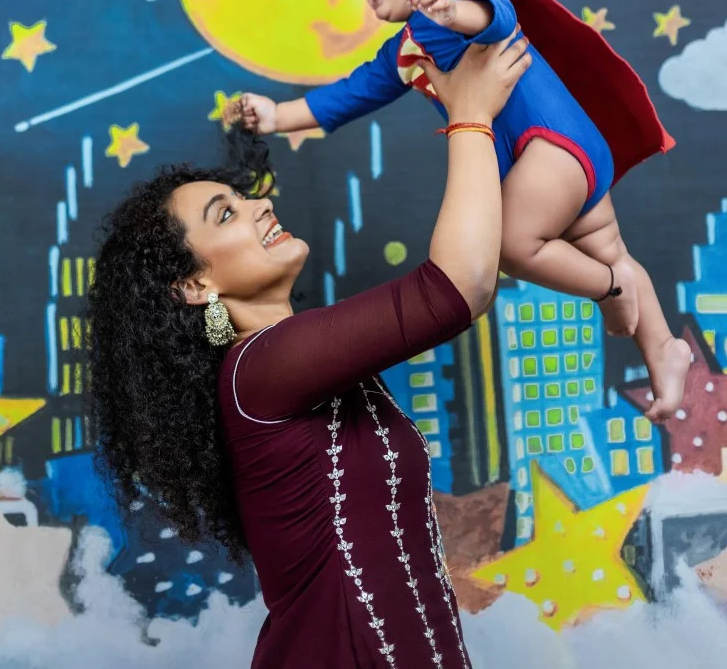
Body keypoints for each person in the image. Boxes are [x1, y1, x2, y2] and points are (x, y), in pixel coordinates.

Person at [87, 32, 530, 669]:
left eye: (244, 197)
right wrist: (471, 114)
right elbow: (459, 287)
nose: (260, 206)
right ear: (195, 286)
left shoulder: (304, 363)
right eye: (225, 214)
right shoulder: (259, 369)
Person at [238, 0, 690, 422]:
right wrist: (277, 116)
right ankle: (663, 348)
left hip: (552, 145)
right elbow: (350, 94)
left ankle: (611, 289)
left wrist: (454, 11)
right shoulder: (404, 50)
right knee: (607, 248)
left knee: (514, 245)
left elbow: (495, 14)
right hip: (561, 156)